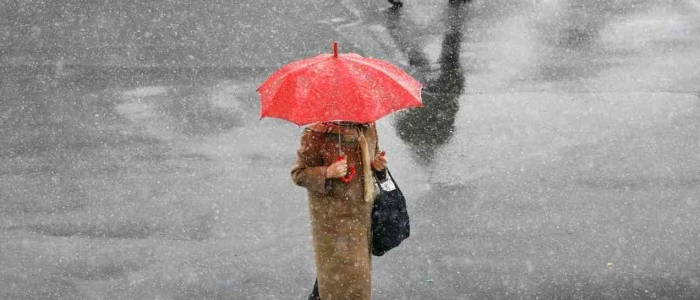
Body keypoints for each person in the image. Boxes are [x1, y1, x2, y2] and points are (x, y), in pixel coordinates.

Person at [292, 121, 388, 300]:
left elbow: (373, 162)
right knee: (340, 279)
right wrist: (327, 172)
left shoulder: (367, 127)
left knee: (350, 278)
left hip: (362, 218)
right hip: (333, 223)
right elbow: (299, 174)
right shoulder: (316, 133)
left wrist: (378, 167)